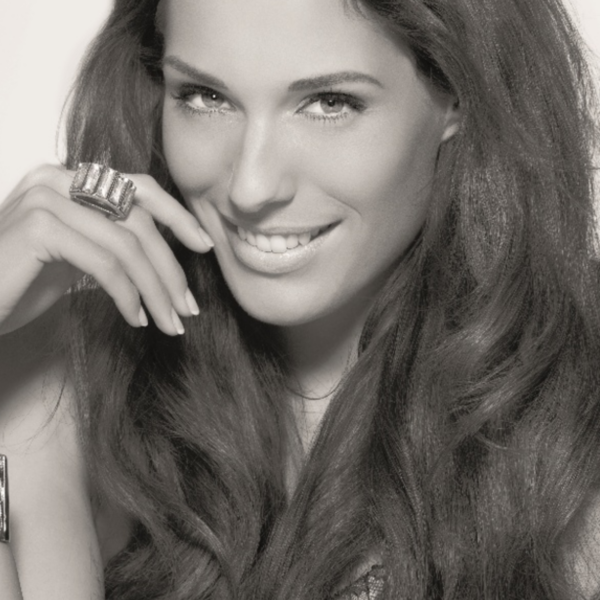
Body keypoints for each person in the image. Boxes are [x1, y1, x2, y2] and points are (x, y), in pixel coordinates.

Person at [0, 0, 599, 598]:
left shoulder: (576, 405)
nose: (251, 187)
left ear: (458, 94)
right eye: (205, 96)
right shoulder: (68, 375)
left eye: (329, 103)